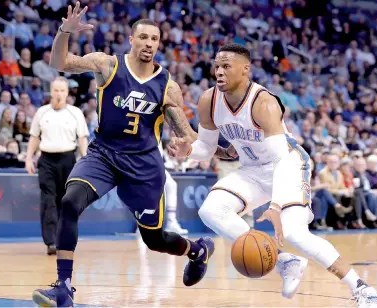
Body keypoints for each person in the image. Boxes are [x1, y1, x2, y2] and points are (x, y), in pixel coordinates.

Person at [32, 4, 235, 307]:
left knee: (154, 240)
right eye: (143, 37)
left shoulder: (167, 86)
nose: (149, 43)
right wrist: (65, 32)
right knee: (70, 201)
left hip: (143, 165)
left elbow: (187, 133)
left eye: (154, 38)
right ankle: (63, 287)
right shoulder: (107, 65)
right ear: (131, 39)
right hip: (103, 155)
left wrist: (224, 151)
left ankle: (197, 249)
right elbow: (59, 61)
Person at [168, 43, 377, 307]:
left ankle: (363, 289)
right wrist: (188, 149)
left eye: (226, 66)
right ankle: (285, 260)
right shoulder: (208, 100)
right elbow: (207, 148)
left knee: (295, 233)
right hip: (252, 169)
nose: (219, 72)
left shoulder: (264, 103)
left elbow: (280, 160)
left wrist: (275, 206)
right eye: (216, 67)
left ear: (245, 70)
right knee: (211, 210)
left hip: (289, 165)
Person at [26, 77, 89, 255]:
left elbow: (82, 139)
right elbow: (34, 137)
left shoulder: (75, 113)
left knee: (67, 200)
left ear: (67, 93)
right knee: (48, 199)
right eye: (56, 90)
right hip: (46, 160)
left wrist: (85, 162)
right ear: (51, 92)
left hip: (68, 159)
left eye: (62, 90)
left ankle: (64, 239)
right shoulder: (42, 112)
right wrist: (28, 158)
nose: (59, 94)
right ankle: (50, 241)